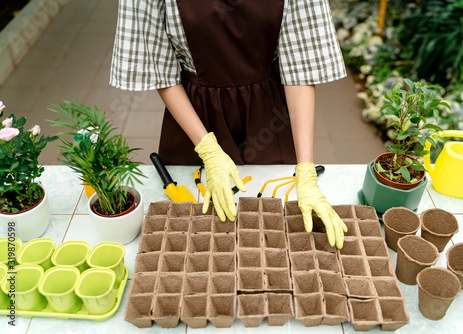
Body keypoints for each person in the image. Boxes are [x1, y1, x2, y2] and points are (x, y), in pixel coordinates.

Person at [110, 0, 347, 249]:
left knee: (273, 211)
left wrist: (306, 171)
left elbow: (301, 68)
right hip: (195, 115)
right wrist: (208, 150)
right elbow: (160, 71)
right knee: (195, 221)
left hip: (268, 116)